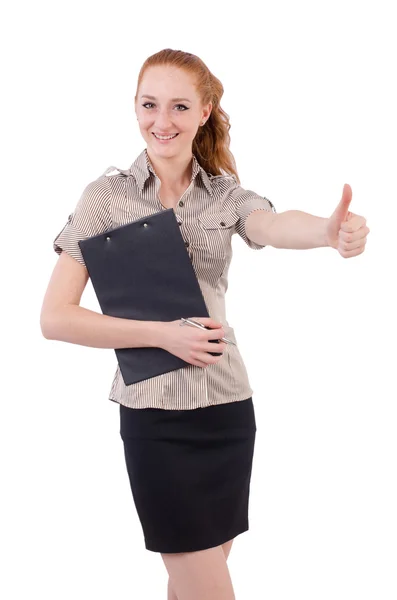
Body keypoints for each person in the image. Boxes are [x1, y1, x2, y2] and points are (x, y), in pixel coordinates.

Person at [40, 48, 370, 600]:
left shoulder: (222, 194)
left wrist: (327, 233)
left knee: (191, 586)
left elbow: (270, 224)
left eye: (178, 106)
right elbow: (55, 318)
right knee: (210, 590)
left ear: (204, 110)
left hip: (226, 412)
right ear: (135, 108)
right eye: (149, 105)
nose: (161, 121)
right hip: (154, 419)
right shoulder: (106, 199)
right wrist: (163, 334)